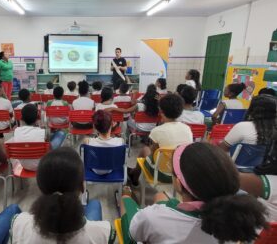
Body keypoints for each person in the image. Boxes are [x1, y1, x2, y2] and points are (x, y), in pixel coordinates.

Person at [121, 143, 268, 244]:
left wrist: (127, 199)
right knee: (160, 196)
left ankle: (126, 194)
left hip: (147, 223)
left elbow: (133, 234)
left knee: (126, 199)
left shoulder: (154, 217)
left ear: (178, 183)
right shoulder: (238, 221)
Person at [9, 148, 116, 243]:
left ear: (40, 187)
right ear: (82, 187)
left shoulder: (19, 224)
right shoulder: (104, 233)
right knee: (94, 204)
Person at [128, 94, 193, 186]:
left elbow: (153, 154)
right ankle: (134, 173)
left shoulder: (157, 131)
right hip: (180, 173)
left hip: (161, 174)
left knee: (145, 150)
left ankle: (135, 175)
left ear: (160, 111)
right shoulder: (187, 129)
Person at [12, 104, 65, 171]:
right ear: (37, 116)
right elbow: (50, 151)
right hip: (42, 165)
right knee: (60, 134)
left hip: (24, 166)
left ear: (21, 117)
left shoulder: (16, 131)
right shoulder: (43, 132)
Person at [83, 110, 125, 175]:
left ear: (94, 126)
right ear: (112, 124)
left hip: (94, 169)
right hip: (112, 168)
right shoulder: (120, 141)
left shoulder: (87, 141)